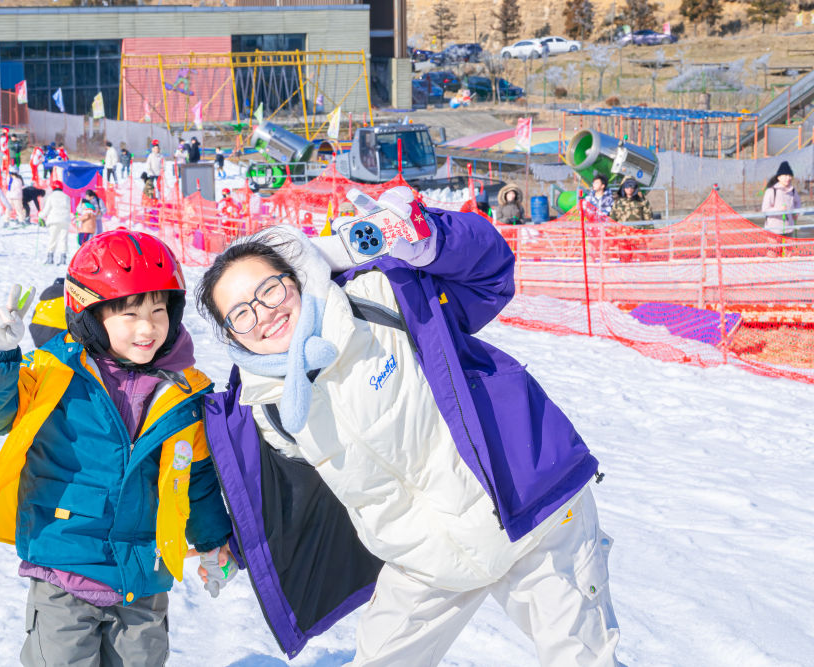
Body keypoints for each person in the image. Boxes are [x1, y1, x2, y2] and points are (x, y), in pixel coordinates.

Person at [194, 188, 620, 666]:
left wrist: (429, 237)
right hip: (425, 562)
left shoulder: (380, 298)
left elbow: (491, 273)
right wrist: (236, 549)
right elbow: (288, 500)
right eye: (241, 313)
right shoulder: (268, 408)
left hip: (529, 514)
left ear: (297, 277)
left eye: (269, 289)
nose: (264, 314)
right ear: (231, 335)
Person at [0, 232, 233, 666]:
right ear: (90, 316)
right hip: (64, 568)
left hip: (142, 576)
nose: (147, 327)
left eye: (158, 311)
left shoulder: (185, 393)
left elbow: (195, 477)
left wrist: (213, 542)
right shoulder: (53, 373)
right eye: (130, 314)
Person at [762, 160, 802, 235]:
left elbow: (798, 202)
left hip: (789, 229)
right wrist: (779, 210)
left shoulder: (792, 190)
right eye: (785, 175)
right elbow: (765, 210)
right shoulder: (771, 191)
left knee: (788, 243)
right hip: (774, 230)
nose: (788, 178)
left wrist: (796, 212)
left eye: (790, 175)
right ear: (779, 177)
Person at [38, 179, 72, 265]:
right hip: (65, 220)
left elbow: (46, 210)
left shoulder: (51, 197)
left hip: (54, 220)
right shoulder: (66, 197)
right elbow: (69, 208)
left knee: (52, 239)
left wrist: (40, 215)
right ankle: (63, 258)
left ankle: (50, 257)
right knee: (63, 239)